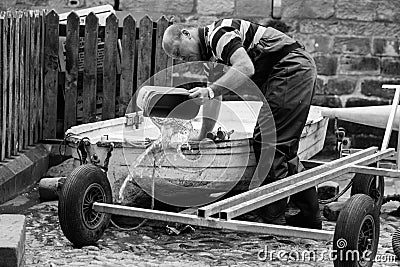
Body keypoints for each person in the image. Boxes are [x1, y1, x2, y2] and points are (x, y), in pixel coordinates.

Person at [161, 19, 322, 229]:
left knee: (269, 141)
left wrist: (210, 91)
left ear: (186, 34)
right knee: (281, 146)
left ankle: (274, 221)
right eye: (178, 59)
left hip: (292, 68)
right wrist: (202, 135)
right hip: (289, 71)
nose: (183, 59)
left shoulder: (218, 34)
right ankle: (309, 217)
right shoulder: (212, 56)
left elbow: (245, 67)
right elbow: (214, 98)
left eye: (180, 52)